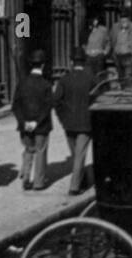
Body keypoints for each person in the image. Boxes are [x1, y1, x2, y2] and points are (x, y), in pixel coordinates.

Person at [53, 48, 96, 195]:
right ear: (84, 62)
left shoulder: (64, 80)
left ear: (71, 62)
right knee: (80, 155)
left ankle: (81, 180)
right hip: (85, 123)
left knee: (75, 155)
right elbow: (98, 99)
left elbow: (56, 101)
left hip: (69, 124)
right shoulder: (91, 79)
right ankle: (74, 187)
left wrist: (62, 118)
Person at [13, 49, 53, 191]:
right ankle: (39, 182)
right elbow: (47, 107)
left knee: (29, 150)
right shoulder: (46, 85)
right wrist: (37, 122)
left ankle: (26, 178)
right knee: (40, 151)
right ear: (42, 65)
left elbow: (15, 106)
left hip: (25, 125)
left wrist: (24, 122)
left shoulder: (22, 83)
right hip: (41, 125)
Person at [109, 12, 132, 89]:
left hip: (129, 56)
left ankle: (129, 94)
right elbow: (111, 40)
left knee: (129, 77)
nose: (123, 23)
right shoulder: (115, 27)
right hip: (118, 56)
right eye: (121, 21)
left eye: (125, 21)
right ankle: (124, 95)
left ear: (129, 20)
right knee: (121, 77)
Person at [84, 14, 110, 82]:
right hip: (89, 56)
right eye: (93, 20)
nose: (95, 21)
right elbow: (83, 44)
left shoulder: (103, 30)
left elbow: (108, 42)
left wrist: (106, 51)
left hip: (99, 55)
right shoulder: (86, 31)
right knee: (89, 75)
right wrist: (86, 51)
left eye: (96, 20)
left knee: (99, 75)